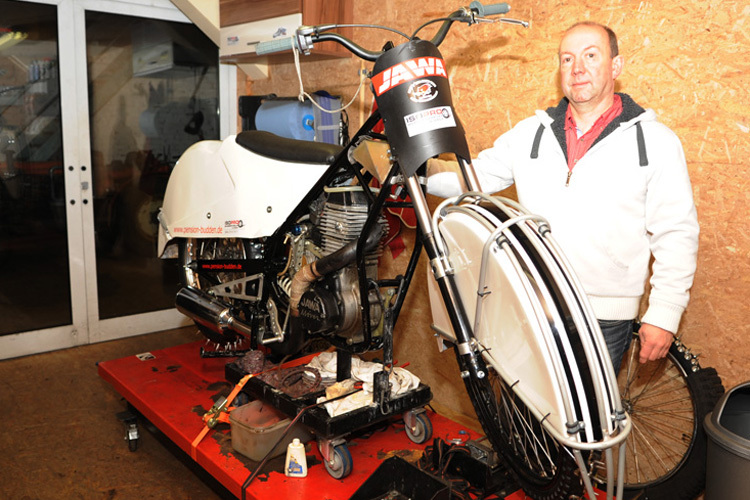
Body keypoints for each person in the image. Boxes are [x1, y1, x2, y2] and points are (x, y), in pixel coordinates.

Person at [427, 21, 699, 372]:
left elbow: (676, 233)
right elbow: (471, 176)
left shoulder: (656, 142)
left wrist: (664, 313)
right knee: (523, 416)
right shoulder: (529, 134)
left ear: (616, 66)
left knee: (590, 425)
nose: (578, 69)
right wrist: (419, 175)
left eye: (590, 55)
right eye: (567, 59)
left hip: (604, 317)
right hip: (534, 304)